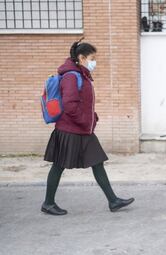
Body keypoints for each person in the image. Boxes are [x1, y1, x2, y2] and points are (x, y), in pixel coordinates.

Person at [41, 39, 134, 215]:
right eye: (92, 58)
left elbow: (82, 103)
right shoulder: (71, 76)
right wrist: (85, 120)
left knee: (98, 162)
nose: (94, 62)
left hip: (83, 129)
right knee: (59, 165)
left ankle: (113, 201)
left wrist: (92, 117)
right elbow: (70, 105)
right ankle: (48, 203)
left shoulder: (81, 75)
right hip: (70, 130)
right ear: (81, 58)